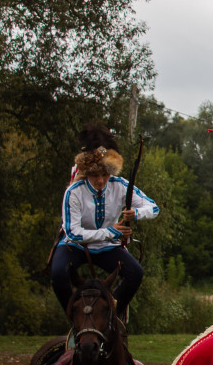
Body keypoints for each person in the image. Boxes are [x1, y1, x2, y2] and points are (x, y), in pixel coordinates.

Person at [50, 124, 159, 322]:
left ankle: (109, 315)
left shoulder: (120, 186)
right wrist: (111, 231)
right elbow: (73, 233)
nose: (100, 180)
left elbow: (154, 208)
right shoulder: (74, 192)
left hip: (107, 247)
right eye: (94, 175)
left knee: (135, 273)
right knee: (58, 274)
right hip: (75, 246)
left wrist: (135, 213)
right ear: (86, 173)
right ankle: (75, 319)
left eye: (105, 175)